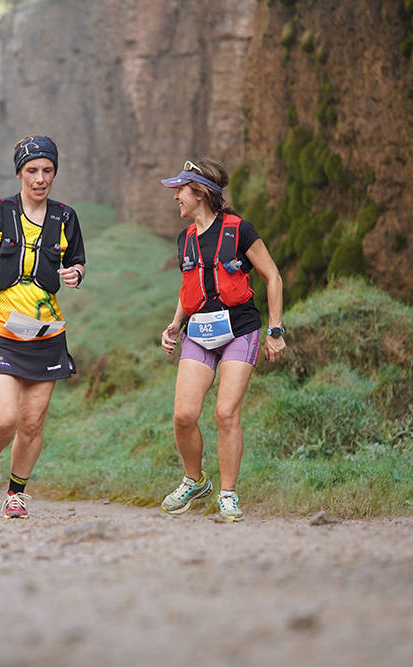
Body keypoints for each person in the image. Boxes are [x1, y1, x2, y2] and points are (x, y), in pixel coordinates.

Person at [0, 135, 86, 519]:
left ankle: (17, 492)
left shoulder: (66, 217)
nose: (40, 178)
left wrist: (75, 273)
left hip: (45, 333)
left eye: (47, 170)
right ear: (19, 173)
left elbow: (78, 261)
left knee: (32, 422)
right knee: (6, 417)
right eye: (32, 171)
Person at [158, 158, 286, 522]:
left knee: (225, 413)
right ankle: (195, 480)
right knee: (184, 415)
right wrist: (174, 324)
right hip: (197, 332)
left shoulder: (239, 230)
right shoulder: (184, 239)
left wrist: (275, 330)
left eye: (180, 191)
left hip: (239, 330)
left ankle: (228, 494)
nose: (175, 198)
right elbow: (189, 288)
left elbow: (272, 276)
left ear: (199, 193)